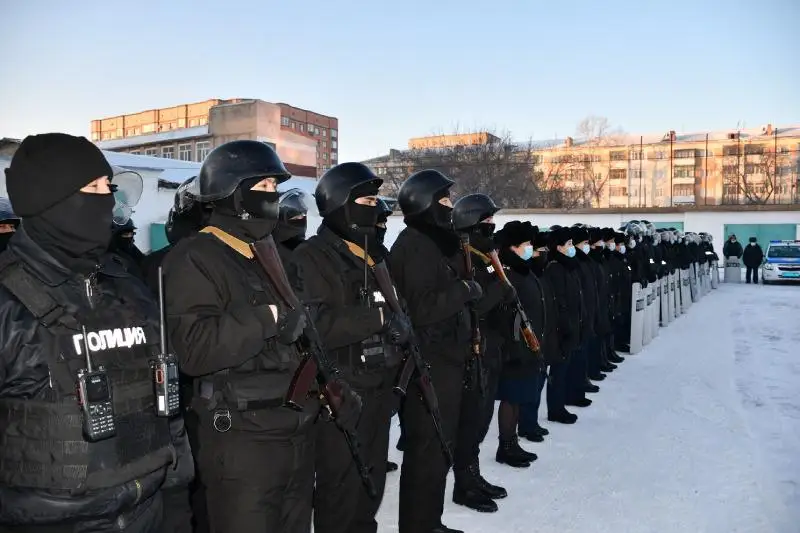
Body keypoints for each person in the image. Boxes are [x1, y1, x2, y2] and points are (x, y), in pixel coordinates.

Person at [162, 140, 360, 533]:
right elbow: (194, 349)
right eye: (264, 186)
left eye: (274, 187)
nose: (272, 196)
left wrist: (331, 382)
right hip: (242, 439)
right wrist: (267, 318)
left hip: (294, 429)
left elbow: (305, 336)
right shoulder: (195, 257)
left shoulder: (271, 255)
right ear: (234, 193)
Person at [0, 133, 193, 532]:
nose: (107, 199)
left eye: (109, 187)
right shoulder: (8, 302)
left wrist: (176, 499)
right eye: (94, 188)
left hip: (148, 513)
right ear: (50, 198)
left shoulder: (128, 287)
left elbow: (166, 400)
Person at [287, 162, 406, 533]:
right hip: (341, 394)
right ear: (340, 205)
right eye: (366, 202)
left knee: (371, 484)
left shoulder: (372, 255)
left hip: (379, 388)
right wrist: (379, 318)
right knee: (340, 490)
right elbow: (315, 326)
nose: (374, 209)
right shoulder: (311, 256)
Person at [390, 169, 482, 533]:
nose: (450, 206)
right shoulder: (414, 245)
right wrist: (464, 290)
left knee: (439, 447)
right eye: (443, 200)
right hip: (427, 362)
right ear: (424, 204)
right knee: (426, 450)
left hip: (445, 358)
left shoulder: (433, 243)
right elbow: (422, 308)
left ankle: (430, 521)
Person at [450, 193, 515, 513]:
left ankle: (473, 475)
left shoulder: (486, 256)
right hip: (474, 349)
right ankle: (465, 483)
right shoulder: (463, 257)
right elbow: (473, 306)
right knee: (471, 422)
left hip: (491, 348)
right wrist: (500, 290)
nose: (491, 227)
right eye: (486, 222)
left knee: (483, 417)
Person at [493, 221, 547, 458]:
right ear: (512, 248)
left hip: (527, 346)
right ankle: (505, 446)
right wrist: (515, 346)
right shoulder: (508, 275)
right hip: (514, 348)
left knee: (517, 397)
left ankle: (511, 443)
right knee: (510, 398)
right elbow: (505, 316)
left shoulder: (524, 270)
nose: (530, 249)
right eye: (525, 244)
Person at [517, 228, 556, 441]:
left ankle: (531, 421)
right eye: (539, 250)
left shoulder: (538, 274)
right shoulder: (522, 274)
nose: (542, 254)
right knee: (528, 384)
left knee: (538, 381)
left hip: (542, 333)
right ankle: (526, 423)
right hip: (527, 337)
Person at [544, 226, 582, 424]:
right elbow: (560, 301)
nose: (572, 247)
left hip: (571, 324)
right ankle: (555, 409)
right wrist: (566, 326)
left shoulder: (568, 266)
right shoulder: (555, 269)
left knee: (564, 368)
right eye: (568, 244)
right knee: (558, 370)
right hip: (561, 328)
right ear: (558, 247)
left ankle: (561, 403)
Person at [274, 187, 309, 263]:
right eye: (296, 217)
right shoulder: (271, 252)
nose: (301, 218)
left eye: (303, 215)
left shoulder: (306, 250)